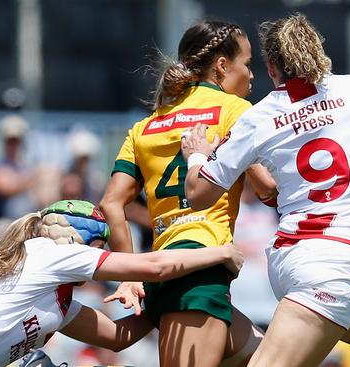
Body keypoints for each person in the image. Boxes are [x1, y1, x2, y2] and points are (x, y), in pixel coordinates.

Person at [181, 14, 350, 367]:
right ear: (318, 52)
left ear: (271, 68)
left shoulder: (258, 116)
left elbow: (199, 194)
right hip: (332, 264)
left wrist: (196, 157)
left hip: (294, 258)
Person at [99, 19, 275, 367]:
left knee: (267, 358)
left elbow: (111, 203)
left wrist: (129, 275)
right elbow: (268, 190)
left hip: (166, 268)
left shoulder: (144, 126)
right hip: (200, 273)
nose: (252, 75)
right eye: (248, 63)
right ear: (222, 66)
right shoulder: (234, 110)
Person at [0, 199, 243, 367]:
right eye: (101, 246)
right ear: (79, 238)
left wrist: (161, 299)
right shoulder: (49, 254)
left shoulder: (59, 306)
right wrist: (219, 253)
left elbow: (120, 338)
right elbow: (153, 266)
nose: (104, 254)